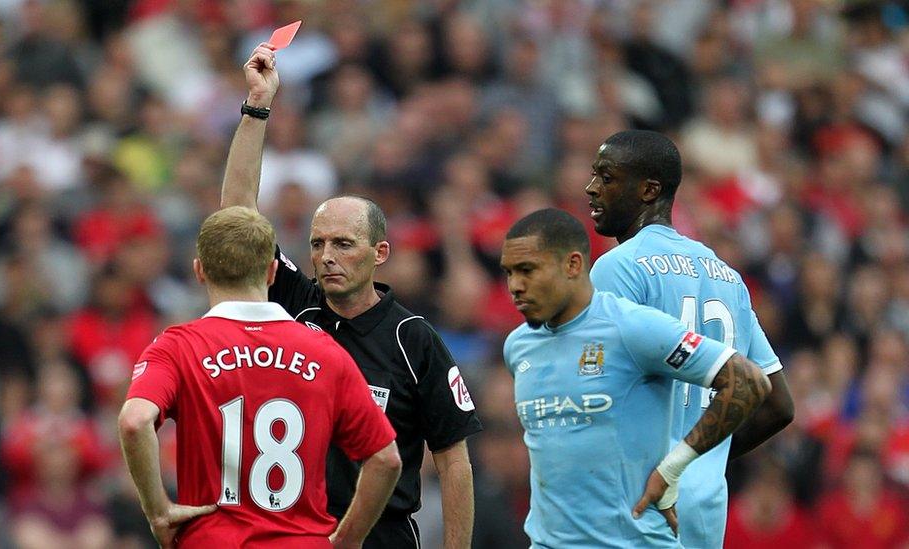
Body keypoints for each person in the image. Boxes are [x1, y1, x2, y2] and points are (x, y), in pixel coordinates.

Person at [218, 43, 482, 548]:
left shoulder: (412, 338)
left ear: (380, 252)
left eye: (344, 243)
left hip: (380, 538)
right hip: (292, 531)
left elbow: (453, 461)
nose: (327, 256)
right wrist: (256, 107)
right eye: (318, 244)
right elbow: (236, 217)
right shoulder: (294, 304)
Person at [118, 206, 402, 548]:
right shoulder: (326, 352)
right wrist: (348, 538)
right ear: (271, 272)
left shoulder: (177, 347)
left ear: (200, 271)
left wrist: (158, 511)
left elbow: (134, 422)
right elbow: (385, 459)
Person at [501, 208, 771, 547]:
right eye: (509, 272)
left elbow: (749, 381)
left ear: (572, 265)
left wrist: (674, 468)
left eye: (527, 270)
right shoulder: (518, 346)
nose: (515, 286)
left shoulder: (632, 327)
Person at [586, 130, 794, 548]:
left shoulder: (619, 268)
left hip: (639, 507)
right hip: (703, 512)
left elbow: (598, 392)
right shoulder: (727, 277)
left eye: (606, 177)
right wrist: (698, 462)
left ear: (649, 190)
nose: (591, 189)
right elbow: (777, 404)